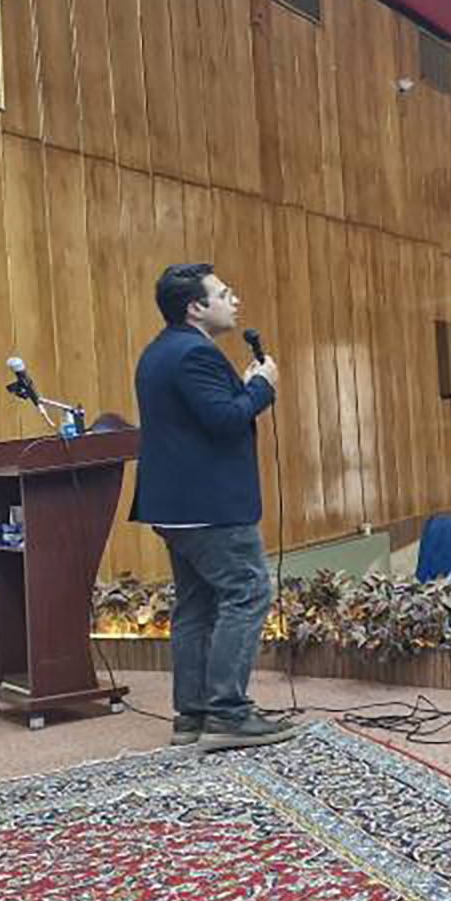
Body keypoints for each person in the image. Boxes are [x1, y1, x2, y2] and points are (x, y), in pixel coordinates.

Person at [133, 263, 292, 750]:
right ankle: (227, 712)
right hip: (209, 507)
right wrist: (262, 386)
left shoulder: (160, 351)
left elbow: (205, 415)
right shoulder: (194, 354)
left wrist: (243, 388)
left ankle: (193, 715)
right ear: (195, 308)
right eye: (224, 294)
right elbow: (224, 421)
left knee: (197, 604)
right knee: (248, 592)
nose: (234, 300)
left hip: (175, 505)